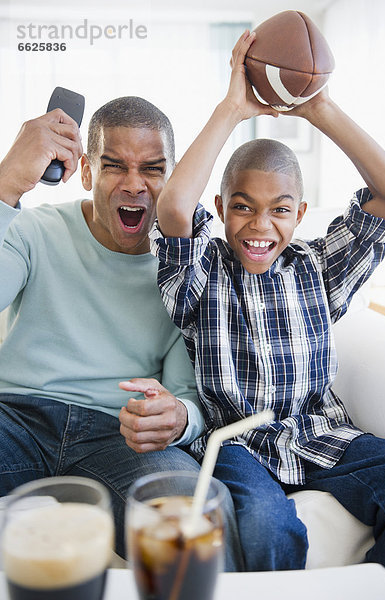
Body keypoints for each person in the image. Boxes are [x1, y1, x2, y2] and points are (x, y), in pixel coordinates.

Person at [150, 30, 385, 580]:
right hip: (240, 445)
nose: (260, 226)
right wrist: (232, 109)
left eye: (279, 210)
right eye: (242, 207)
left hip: (323, 435)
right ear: (220, 207)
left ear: (301, 212)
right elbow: (173, 208)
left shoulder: (318, 269)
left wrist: (321, 110)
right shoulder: (202, 274)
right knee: (267, 526)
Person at [0, 95, 243, 569]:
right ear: (87, 172)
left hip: (120, 435)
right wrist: (6, 182)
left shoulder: (184, 268)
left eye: (152, 169)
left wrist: (178, 418)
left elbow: (186, 396)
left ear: (173, 177)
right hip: (16, 420)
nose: (134, 186)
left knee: (190, 524)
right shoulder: (33, 231)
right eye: (115, 167)